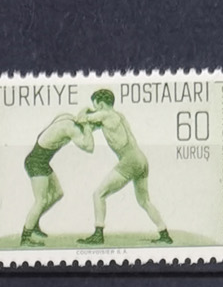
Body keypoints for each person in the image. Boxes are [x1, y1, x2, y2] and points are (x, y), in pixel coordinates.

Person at [20, 88, 171, 247]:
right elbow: (92, 121)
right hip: (141, 159)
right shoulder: (119, 116)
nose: (95, 109)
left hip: (129, 161)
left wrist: (85, 119)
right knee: (144, 201)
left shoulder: (104, 114)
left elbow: (83, 120)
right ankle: (164, 234)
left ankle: (98, 235)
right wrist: (88, 119)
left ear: (100, 104)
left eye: (95, 105)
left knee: (98, 194)